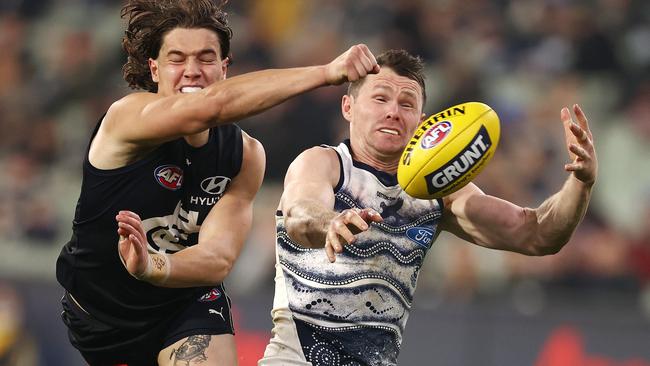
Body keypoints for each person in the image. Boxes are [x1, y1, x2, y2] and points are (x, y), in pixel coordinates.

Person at [54, 0, 379, 365]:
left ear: (224, 69)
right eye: (177, 59)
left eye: (206, 58)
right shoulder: (126, 119)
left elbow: (217, 258)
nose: (192, 71)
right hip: (100, 317)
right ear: (154, 69)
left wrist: (153, 267)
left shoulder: (244, 156)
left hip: (183, 303)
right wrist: (325, 72)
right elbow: (208, 108)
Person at [258, 49, 597, 366]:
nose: (393, 111)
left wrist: (580, 183)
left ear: (422, 122)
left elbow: (536, 233)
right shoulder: (324, 163)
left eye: (406, 104)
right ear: (348, 107)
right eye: (380, 98)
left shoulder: (439, 193)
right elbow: (299, 214)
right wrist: (331, 221)